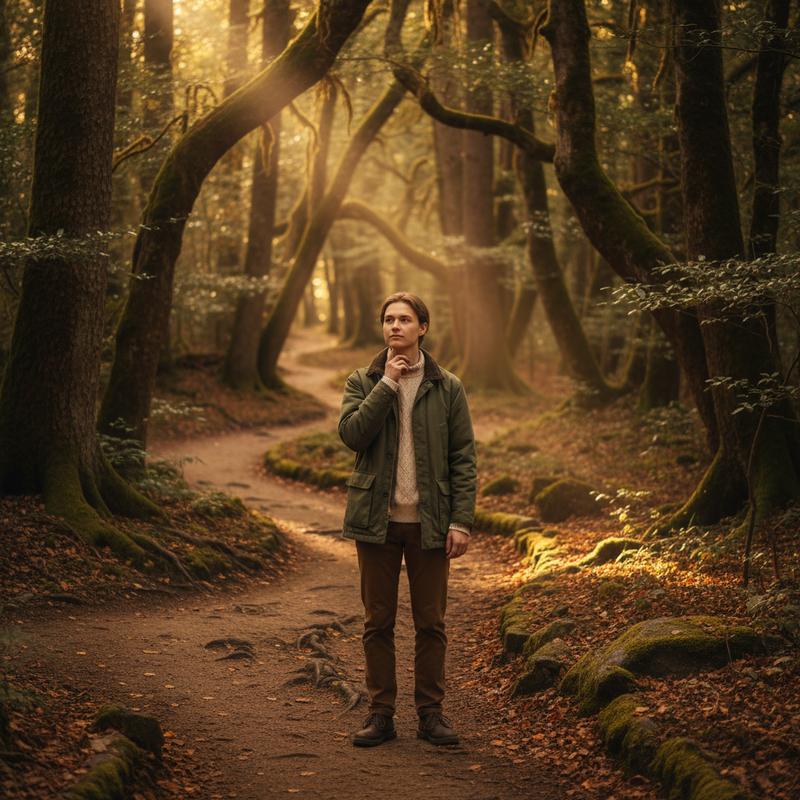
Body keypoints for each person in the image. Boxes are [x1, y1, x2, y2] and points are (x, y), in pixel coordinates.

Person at [338, 291, 477, 747]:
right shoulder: (364, 379)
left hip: (430, 523)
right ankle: (381, 715)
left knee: (430, 622)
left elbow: (463, 458)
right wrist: (387, 385)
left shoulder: (448, 387)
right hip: (375, 521)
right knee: (377, 622)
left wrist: (461, 520)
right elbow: (353, 434)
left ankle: (430, 713)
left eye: (404, 319)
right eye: (388, 319)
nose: (395, 326)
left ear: (423, 328)